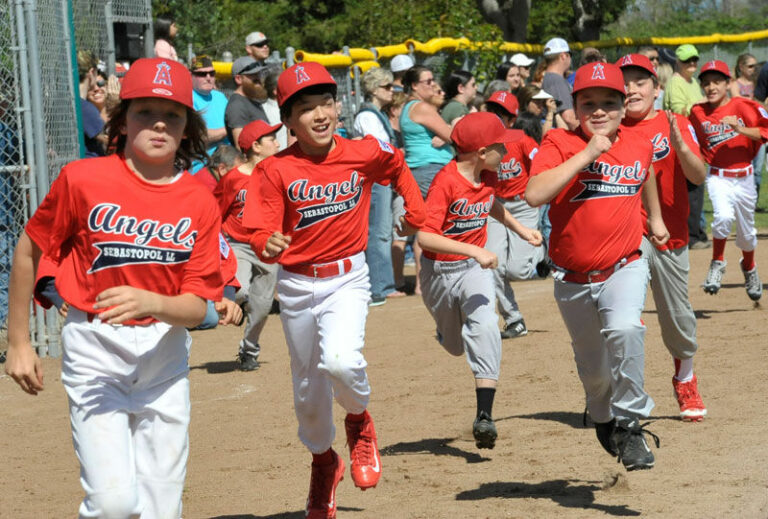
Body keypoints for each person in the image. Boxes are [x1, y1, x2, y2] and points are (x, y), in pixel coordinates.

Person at [4, 57, 226, 517]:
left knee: (161, 509)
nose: (158, 124)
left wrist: (153, 302)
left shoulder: (200, 199)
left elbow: (199, 305)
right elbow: (28, 250)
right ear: (122, 120)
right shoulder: (83, 178)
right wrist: (19, 342)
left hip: (164, 354)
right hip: (94, 343)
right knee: (113, 504)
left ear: (188, 128)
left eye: (173, 115)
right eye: (144, 112)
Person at [241, 62, 426, 518]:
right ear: (287, 121)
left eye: (326, 102)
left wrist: (414, 209)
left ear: (338, 105)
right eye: (305, 108)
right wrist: (268, 240)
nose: (320, 114)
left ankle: (359, 423)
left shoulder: (362, 151)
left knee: (341, 361)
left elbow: (398, 166)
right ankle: (324, 463)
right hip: (299, 284)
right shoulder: (274, 170)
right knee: (307, 393)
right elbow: (259, 230)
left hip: (347, 278)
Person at [526, 62, 669, 471]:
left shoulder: (638, 142)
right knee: (594, 372)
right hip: (572, 279)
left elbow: (646, 175)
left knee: (626, 329)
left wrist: (654, 218)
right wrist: (587, 154)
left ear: (625, 107)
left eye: (610, 102)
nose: (600, 111)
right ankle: (603, 416)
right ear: (574, 106)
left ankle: (630, 423)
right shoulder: (557, 141)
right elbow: (535, 194)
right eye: (589, 103)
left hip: (625, 263)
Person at [417, 112, 541, 449]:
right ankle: (447, 331)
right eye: (502, 145)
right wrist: (474, 251)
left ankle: (484, 415)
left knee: (486, 325)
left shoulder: (488, 177)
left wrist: (521, 229)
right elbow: (426, 237)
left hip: (473, 271)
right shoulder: (446, 182)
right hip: (439, 273)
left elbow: (491, 204)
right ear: (482, 153)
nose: (508, 149)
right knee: (456, 346)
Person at [618, 53, 708, 421]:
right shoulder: (611, 127)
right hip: (626, 235)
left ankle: (685, 377)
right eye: (625, 82)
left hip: (670, 235)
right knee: (622, 315)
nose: (631, 89)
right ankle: (622, 390)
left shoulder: (677, 122)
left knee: (676, 317)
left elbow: (699, 176)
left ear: (656, 89)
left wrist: (682, 145)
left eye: (640, 81)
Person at [690, 60, 768, 302]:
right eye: (706, 83)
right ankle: (718, 262)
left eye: (717, 81)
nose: (711, 87)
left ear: (728, 83)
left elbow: (765, 131)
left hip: (744, 177)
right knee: (722, 217)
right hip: (717, 176)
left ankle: (750, 266)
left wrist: (740, 129)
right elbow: (692, 140)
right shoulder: (697, 112)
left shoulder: (743, 106)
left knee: (747, 235)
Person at [215, 119, 282, 370]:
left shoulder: (279, 172)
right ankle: (237, 302)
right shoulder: (232, 179)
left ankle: (249, 350)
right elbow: (215, 213)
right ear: (255, 146)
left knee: (263, 308)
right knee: (240, 290)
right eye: (271, 139)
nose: (277, 142)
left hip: (268, 248)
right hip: (238, 244)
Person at [482, 92, 547, 339]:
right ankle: (514, 320)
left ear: (511, 120)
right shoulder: (483, 142)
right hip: (495, 207)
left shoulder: (521, 140)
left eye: (500, 114)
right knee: (493, 265)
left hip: (523, 207)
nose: (494, 118)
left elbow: (541, 163)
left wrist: (538, 191)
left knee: (519, 271)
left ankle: (542, 250)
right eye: (491, 111)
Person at [353, 67, 406, 305]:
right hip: (376, 180)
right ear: (374, 90)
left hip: (383, 180)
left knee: (382, 231)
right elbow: (377, 150)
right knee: (378, 232)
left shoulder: (377, 114)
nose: (391, 91)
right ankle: (380, 287)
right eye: (386, 87)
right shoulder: (367, 116)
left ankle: (382, 285)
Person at [401, 65, 455, 294]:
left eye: (433, 80)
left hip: (423, 171)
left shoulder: (409, 108)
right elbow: (454, 136)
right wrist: (455, 126)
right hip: (432, 171)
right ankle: (432, 281)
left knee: (427, 225)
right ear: (414, 86)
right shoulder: (421, 107)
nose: (433, 85)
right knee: (440, 226)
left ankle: (424, 283)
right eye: (428, 81)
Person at [665, 44, 709, 250]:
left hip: (693, 138)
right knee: (691, 188)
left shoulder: (691, 81)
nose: (692, 64)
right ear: (678, 62)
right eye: (687, 60)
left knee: (697, 187)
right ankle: (691, 236)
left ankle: (697, 232)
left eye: (694, 60)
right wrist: (701, 104)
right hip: (681, 139)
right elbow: (678, 111)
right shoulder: (676, 82)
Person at [191, 55, 230, 173]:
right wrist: (229, 129)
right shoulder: (188, 98)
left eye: (211, 73)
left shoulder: (220, 97)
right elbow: (199, 136)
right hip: (202, 167)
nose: (208, 78)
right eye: (202, 74)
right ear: (191, 76)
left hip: (228, 164)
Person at [225, 56, 269, 146]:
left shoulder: (252, 101)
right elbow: (241, 147)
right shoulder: (237, 106)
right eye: (252, 74)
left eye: (258, 73)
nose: (258, 78)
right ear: (238, 79)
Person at [541, 37, 579, 130]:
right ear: (563, 56)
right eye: (570, 54)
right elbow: (569, 118)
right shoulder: (556, 80)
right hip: (561, 137)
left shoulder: (548, 77)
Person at [77, 50, 106, 157]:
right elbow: (110, 139)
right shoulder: (84, 107)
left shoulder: (71, 103)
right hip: (90, 166)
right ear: (91, 72)